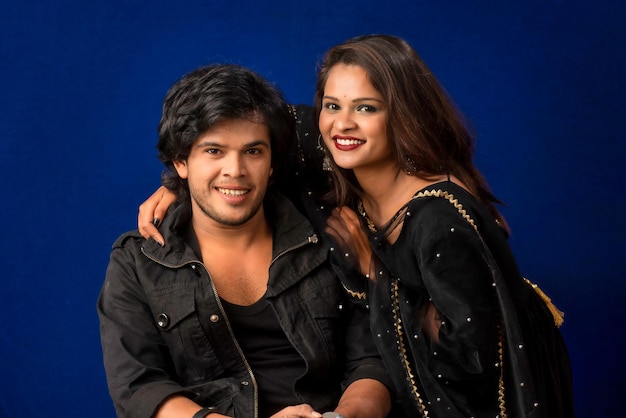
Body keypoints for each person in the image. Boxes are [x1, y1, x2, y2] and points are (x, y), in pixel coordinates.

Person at [138, 35, 575, 418]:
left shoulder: (438, 216)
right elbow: (246, 122)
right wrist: (178, 181)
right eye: (332, 105)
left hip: (495, 389)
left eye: (366, 107)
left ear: (402, 116)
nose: (342, 123)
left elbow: (469, 362)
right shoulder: (328, 152)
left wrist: (375, 273)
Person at [98, 63, 393, 418]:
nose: (235, 171)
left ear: (272, 163)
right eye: (214, 151)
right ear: (181, 161)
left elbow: (372, 360)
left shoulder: (325, 234)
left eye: (253, 151)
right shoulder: (139, 261)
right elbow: (140, 389)